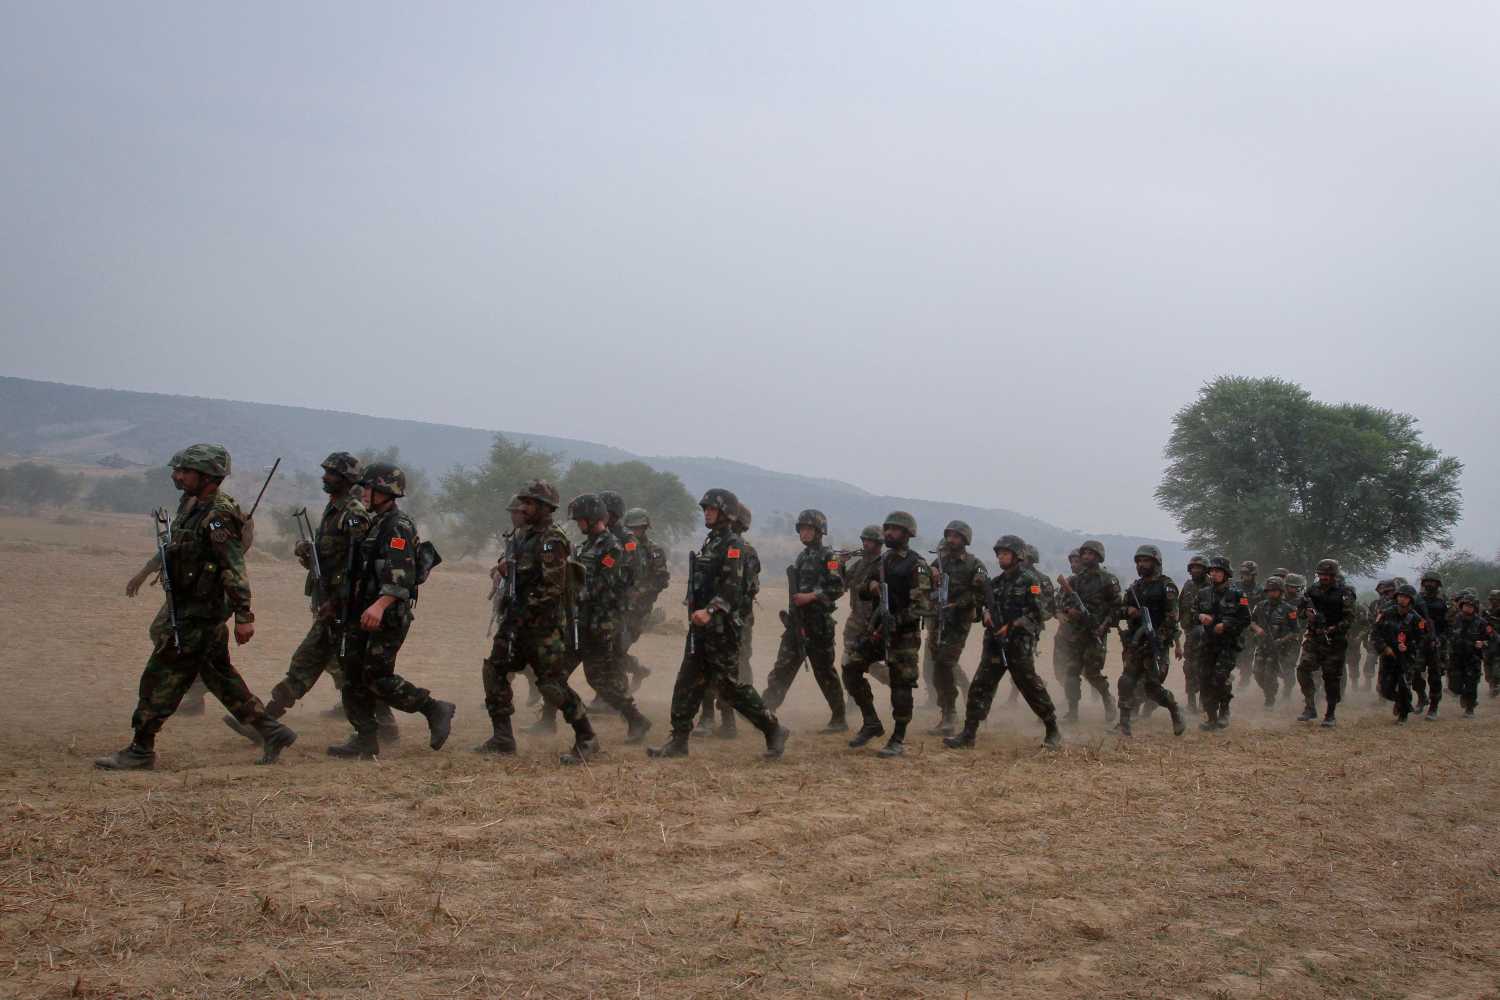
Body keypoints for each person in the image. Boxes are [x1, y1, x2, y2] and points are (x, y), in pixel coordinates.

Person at [96, 444, 296, 770]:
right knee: (221, 678)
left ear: (208, 476)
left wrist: (245, 616)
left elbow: (233, 567)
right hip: (190, 607)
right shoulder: (192, 506)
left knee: (159, 679)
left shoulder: (218, 516)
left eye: (185, 471)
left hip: (200, 614)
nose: (177, 476)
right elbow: (175, 548)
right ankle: (272, 731)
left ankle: (141, 749)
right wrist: (147, 571)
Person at [224, 452, 400, 747]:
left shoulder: (354, 513)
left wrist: (340, 600)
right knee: (327, 667)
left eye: (331, 473)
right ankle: (268, 722)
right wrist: (310, 552)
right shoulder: (335, 509)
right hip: (330, 602)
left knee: (325, 665)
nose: (324, 477)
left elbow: (360, 564)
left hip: (342, 607)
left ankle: (266, 725)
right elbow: (335, 556)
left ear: (345, 479)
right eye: (325, 471)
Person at [325, 463, 455, 759]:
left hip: (387, 615)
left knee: (377, 677)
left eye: (370, 488)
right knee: (352, 676)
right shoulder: (375, 522)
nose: (365, 493)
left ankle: (434, 708)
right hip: (362, 612)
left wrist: (380, 606)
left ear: (386, 491)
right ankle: (365, 738)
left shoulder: (398, 525)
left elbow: (401, 576)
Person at [648, 489, 789, 759]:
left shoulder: (733, 545)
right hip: (701, 628)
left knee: (730, 688)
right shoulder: (711, 542)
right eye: (705, 509)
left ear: (726, 513)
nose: (707, 512)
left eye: (712, 509)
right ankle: (678, 740)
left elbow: (732, 587)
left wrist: (711, 610)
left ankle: (774, 728)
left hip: (721, 628)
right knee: (686, 681)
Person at [477, 479, 601, 763]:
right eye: (523, 502)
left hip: (541, 626)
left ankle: (587, 737)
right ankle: (503, 738)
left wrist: (523, 613)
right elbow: (517, 564)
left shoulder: (552, 540)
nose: (522, 506)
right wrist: (503, 566)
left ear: (545, 508)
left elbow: (552, 589)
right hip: (515, 622)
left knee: (551, 685)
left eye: (529, 503)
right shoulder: (521, 535)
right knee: (494, 672)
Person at [944, 535, 1062, 750]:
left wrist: (1014, 624)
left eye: (1005, 553)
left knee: (1029, 686)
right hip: (994, 643)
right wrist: (986, 614)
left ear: (1017, 556)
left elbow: (1040, 612)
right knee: (980, 686)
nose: (1001, 557)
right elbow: (983, 608)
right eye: (999, 553)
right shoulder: (995, 584)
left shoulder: (1030, 581)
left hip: (1018, 644)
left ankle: (1052, 729)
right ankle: (969, 733)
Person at [565, 493, 652, 752]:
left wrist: (572, 591)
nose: (578, 524)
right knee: (556, 673)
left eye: (581, 519)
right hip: (581, 620)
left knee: (598, 678)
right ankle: (571, 725)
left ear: (593, 519)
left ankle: (635, 719)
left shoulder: (612, 547)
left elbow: (603, 585)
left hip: (600, 623)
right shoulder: (586, 546)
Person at [843, 511, 933, 758]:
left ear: (907, 534)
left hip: (903, 635)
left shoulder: (917, 565)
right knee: (851, 667)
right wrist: (870, 587)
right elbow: (861, 588)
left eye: (895, 529)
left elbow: (922, 606)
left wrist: (896, 619)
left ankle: (898, 737)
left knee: (901, 685)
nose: (889, 533)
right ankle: (871, 722)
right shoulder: (882, 562)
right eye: (888, 528)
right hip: (877, 630)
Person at [760, 509, 848, 731]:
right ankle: (764, 711)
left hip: (818, 625)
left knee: (824, 672)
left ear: (820, 531)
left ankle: (839, 718)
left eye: (809, 529)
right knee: (782, 668)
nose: (805, 533)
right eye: (802, 529)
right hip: (797, 623)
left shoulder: (830, 558)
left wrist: (810, 596)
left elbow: (837, 587)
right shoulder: (803, 556)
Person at [699, 501, 761, 738]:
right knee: (708, 667)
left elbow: (746, 587)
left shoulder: (742, 549)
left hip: (735, 620)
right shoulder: (713, 544)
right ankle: (711, 717)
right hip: (716, 616)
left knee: (731, 670)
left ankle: (728, 718)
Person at [1114, 545, 1186, 736]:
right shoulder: (1134, 588)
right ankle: (1124, 723)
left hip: (1155, 643)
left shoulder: (1166, 585)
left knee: (1152, 688)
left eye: (1145, 561)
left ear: (1156, 562)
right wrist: (1128, 611)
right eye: (1139, 561)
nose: (1141, 564)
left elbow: (1172, 616)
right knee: (1126, 681)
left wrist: (1158, 638)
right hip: (1135, 642)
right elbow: (1119, 611)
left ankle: (1174, 709)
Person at [923, 521, 987, 736]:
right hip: (938, 620)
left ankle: (952, 714)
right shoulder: (938, 562)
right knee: (936, 666)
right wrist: (930, 577)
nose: (951, 540)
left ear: (965, 540)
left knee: (945, 663)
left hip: (959, 622)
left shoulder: (974, 564)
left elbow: (979, 593)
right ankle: (946, 712)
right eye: (949, 536)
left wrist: (957, 604)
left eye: (956, 536)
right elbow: (924, 588)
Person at [1055, 539, 1120, 723]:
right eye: (1084, 553)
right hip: (1077, 633)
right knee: (1071, 672)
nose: (1086, 557)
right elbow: (1062, 602)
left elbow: (1116, 607)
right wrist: (1070, 612)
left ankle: (1108, 698)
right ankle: (1073, 711)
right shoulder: (1075, 580)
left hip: (1096, 633)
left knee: (1092, 673)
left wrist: (1103, 626)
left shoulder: (1107, 580)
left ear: (1099, 557)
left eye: (1090, 554)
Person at [1293, 559, 1358, 728]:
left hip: (1335, 641)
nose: (1324, 577)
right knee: (1302, 670)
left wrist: (1332, 628)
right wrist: (1307, 614)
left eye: (1327, 575)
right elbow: (1298, 613)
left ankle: (1330, 713)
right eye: (1321, 574)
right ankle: (1310, 706)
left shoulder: (1345, 593)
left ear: (1334, 575)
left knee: (1331, 678)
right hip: (1314, 638)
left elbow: (1350, 618)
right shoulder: (1311, 591)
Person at [1193, 556, 1250, 731]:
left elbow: (1246, 619)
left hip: (1228, 644)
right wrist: (1200, 616)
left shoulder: (1239, 594)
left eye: (1218, 571)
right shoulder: (1203, 593)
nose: (1214, 574)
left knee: (1219, 678)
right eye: (1212, 571)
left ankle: (1224, 711)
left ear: (1226, 574)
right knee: (1204, 680)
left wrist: (1226, 625)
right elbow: (1194, 611)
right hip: (1208, 643)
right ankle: (1211, 718)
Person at [621, 506, 670, 691]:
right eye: (631, 528)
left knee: (618, 649)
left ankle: (613, 695)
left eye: (638, 528)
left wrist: (640, 591)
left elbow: (662, 580)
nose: (634, 531)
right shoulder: (622, 547)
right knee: (610, 650)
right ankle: (637, 670)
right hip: (618, 607)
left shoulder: (654, 551)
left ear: (645, 528)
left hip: (638, 611)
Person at [1372, 584, 1425, 724]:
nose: (1402, 599)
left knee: (1403, 685)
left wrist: (1408, 646)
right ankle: (1400, 702)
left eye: (1406, 597)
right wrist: (1384, 647)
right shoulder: (1386, 613)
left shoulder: (1416, 619)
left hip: (1406, 657)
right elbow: (1375, 633)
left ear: (1411, 600)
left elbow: (1421, 639)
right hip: (1388, 654)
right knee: (1384, 689)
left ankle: (1403, 713)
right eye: (1400, 596)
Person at [1248, 577, 1300, 708]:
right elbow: (1251, 621)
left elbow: (1295, 631)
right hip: (1262, 645)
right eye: (1270, 591)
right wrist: (1257, 629)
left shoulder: (1290, 609)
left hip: (1279, 647)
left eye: (1275, 591)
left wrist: (1281, 640)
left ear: (1281, 591)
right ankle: (1269, 690)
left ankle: (1270, 698)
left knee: (1270, 673)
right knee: (1257, 673)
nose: (1272, 593)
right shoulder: (1260, 606)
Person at [1448, 591, 1495, 718]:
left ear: (1475, 608)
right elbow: (1446, 634)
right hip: (1456, 657)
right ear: (1461, 606)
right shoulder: (1454, 619)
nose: (1468, 608)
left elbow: (1492, 639)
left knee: (1471, 684)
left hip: (1472, 658)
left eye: (1470, 606)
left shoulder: (1482, 623)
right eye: (1465, 605)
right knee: (1454, 687)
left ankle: (1470, 708)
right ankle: (1465, 696)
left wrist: (1483, 643)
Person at [1176, 555, 1210, 713]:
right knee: (1189, 667)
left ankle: (1204, 701)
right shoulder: (1188, 585)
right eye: (1194, 567)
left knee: (1205, 667)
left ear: (1205, 570)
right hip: (1190, 634)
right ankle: (1191, 703)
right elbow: (1180, 607)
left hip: (1208, 635)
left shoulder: (1212, 586)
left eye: (1200, 568)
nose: (1196, 570)